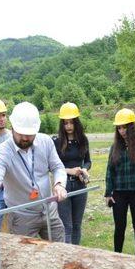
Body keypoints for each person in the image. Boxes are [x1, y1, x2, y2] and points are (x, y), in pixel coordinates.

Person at [0, 102, 67, 241]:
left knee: (61, 251)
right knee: (22, 258)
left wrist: (59, 184)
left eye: (30, 134)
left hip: (49, 211)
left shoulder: (46, 142)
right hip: (21, 217)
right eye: (21, 134)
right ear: (12, 127)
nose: (25, 138)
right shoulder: (3, 152)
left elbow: (58, 167)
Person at [105, 109, 135, 255]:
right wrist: (108, 193)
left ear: (131, 127)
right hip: (119, 194)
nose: (122, 131)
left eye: (124, 127)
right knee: (119, 226)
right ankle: (117, 254)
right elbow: (109, 171)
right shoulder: (114, 148)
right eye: (119, 128)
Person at [53, 102, 91, 245]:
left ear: (76, 123)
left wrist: (84, 169)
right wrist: (69, 171)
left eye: (71, 123)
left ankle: (76, 255)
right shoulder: (56, 142)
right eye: (65, 123)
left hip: (80, 186)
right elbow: (53, 166)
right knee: (66, 226)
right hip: (64, 185)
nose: (68, 126)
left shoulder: (83, 140)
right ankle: (67, 256)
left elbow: (88, 161)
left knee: (76, 225)